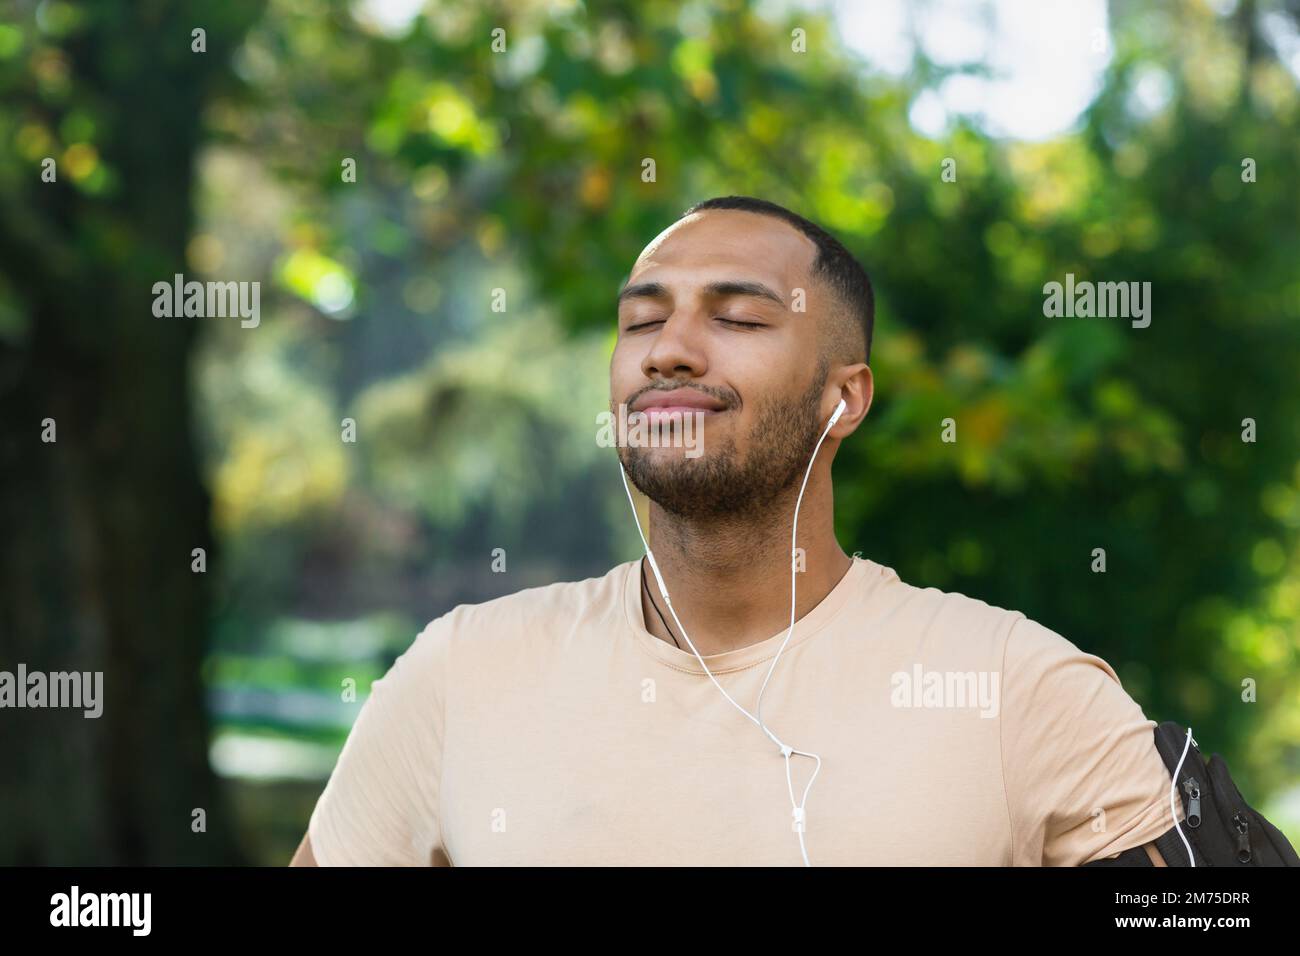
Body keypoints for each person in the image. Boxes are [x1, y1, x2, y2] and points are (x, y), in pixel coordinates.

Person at [290, 195, 1178, 866]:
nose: (666, 350)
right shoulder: (459, 675)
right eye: (642, 319)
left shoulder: (1016, 689)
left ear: (845, 398)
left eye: (740, 317)